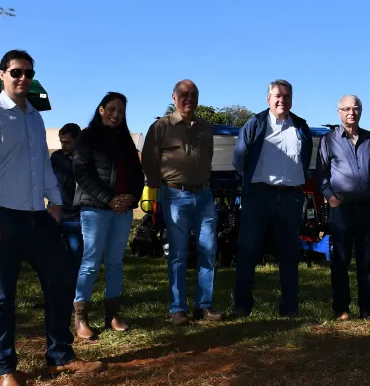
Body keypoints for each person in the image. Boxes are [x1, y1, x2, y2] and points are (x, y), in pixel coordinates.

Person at [0, 50, 104, 385]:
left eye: (28, 73)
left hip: (36, 216)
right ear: (2, 75)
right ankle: (4, 368)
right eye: (16, 72)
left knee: (62, 279)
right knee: (1, 294)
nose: (23, 78)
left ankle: (60, 356)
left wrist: (55, 202)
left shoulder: (34, 118)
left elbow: (42, 164)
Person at [142, 80, 224, 325]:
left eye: (194, 94)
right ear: (174, 97)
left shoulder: (205, 127)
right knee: (178, 253)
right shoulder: (161, 126)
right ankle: (178, 309)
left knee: (208, 250)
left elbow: (207, 157)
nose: (189, 98)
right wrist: (158, 188)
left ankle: (204, 306)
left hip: (204, 195)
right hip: (175, 195)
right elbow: (149, 160)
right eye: (184, 94)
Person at [232, 79, 314, 318]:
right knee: (248, 250)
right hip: (259, 196)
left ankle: (290, 307)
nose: (282, 100)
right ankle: (242, 306)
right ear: (268, 99)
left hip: (291, 198)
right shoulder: (255, 124)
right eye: (278, 96)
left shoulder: (301, 126)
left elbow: (305, 159)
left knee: (290, 253)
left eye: (287, 96)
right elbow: (239, 159)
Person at [71, 93, 144, 339]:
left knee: (115, 262)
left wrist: (132, 197)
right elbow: (81, 172)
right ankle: (81, 317)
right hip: (95, 209)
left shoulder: (125, 140)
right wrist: (109, 199)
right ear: (101, 110)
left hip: (122, 211)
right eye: (111, 109)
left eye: (121, 111)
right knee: (91, 262)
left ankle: (112, 315)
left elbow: (137, 174)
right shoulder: (87, 137)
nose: (116, 115)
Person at [316, 95, 370, 320]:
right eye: (347, 109)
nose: (352, 112)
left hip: (367, 208)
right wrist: (332, 199)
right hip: (342, 208)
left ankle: (368, 309)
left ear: (361, 111)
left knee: (366, 260)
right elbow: (321, 174)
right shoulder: (328, 140)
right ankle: (341, 309)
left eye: (356, 108)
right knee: (340, 259)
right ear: (339, 112)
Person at [51, 123, 83, 274]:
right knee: (53, 253)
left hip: (76, 214)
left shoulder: (84, 158)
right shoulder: (56, 157)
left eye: (68, 142)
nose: (63, 146)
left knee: (75, 253)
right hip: (57, 211)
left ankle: (75, 282)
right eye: (61, 141)